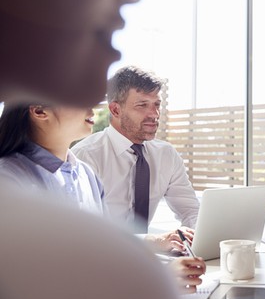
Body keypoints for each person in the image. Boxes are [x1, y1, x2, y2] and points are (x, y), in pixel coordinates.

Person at [0, 0, 188, 299]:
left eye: (157, 104)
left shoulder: (82, 174)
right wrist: (145, 276)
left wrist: (153, 252)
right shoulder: (12, 184)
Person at [0, 103, 206, 293]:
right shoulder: (9, 179)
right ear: (39, 111)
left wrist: (157, 243)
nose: (91, 105)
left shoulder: (85, 174)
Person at [72, 65, 200, 235]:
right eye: (142, 105)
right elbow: (85, 233)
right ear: (115, 109)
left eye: (157, 104)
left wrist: (195, 238)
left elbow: (191, 211)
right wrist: (154, 244)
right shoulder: (86, 156)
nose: (154, 114)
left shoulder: (166, 154)